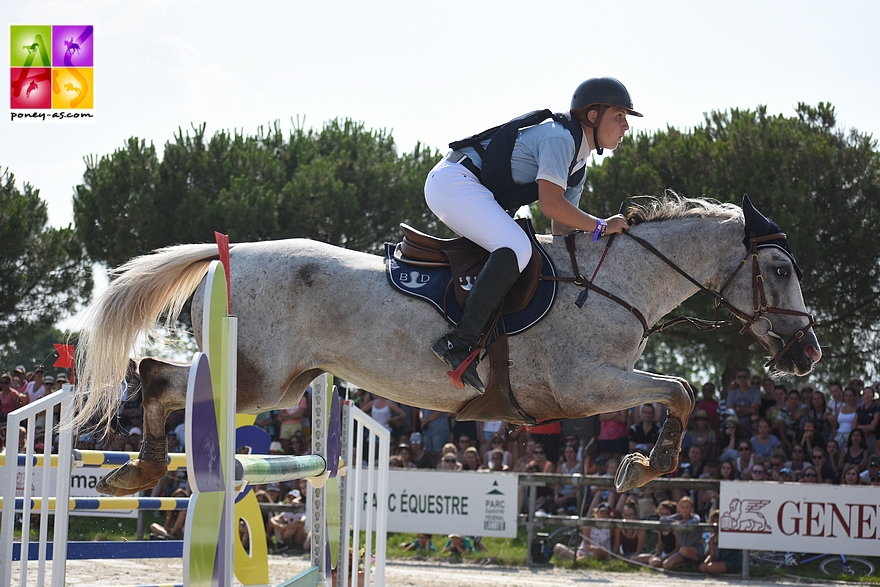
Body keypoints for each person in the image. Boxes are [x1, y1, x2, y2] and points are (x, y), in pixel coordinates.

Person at [424, 77, 638, 392]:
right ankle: (459, 342)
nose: (625, 127)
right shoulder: (560, 139)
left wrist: (600, 243)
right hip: (455, 180)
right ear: (593, 115)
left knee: (526, 250)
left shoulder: (578, 165)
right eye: (619, 116)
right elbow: (551, 206)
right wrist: (602, 225)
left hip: (472, 190)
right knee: (516, 245)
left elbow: (563, 230)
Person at [660, 496, 704, 570]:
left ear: (691, 509)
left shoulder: (695, 517)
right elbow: (663, 519)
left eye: (687, 507)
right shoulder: (677, 517)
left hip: (695, 549)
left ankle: (697, 563)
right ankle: (687, 564)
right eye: (682, 507)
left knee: (683, 550)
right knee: (666, 564)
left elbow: (694, 522)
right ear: (679, 509)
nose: (684, 509)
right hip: (682, 551)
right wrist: (677, 523)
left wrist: (680, 524)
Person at [700, 509, 742, 575]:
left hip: (731, 561)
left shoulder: (728, 536)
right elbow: (711, 555)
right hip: (718, 561)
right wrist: (705, 562)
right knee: (705, 567)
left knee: (710, 567)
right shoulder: (712, 538)